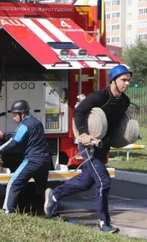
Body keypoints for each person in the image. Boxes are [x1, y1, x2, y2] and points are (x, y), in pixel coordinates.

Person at [44, 65, 132, 233]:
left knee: (86, 181)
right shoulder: (100, 97)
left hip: (103, 146)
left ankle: (54, 195)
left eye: (128, 80)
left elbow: (117, 123)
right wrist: (83, 134)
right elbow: (78, 112)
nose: (126, 83)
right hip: (88, 145)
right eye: (123, 80)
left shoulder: (124, 101)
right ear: (113, 80)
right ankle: (104, 223)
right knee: (103, 180)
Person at [0, 100, 51, 214]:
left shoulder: (24, 124)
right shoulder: (37, 123)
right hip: (44, 161)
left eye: (15, 115)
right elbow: (24, 137)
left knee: (13, 184)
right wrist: (4, 135)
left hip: (32, 161)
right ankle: (50, 212)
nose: (14, 118)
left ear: (22, 114)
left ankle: (7, 211)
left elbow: (15, 142)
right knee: (42, 189)